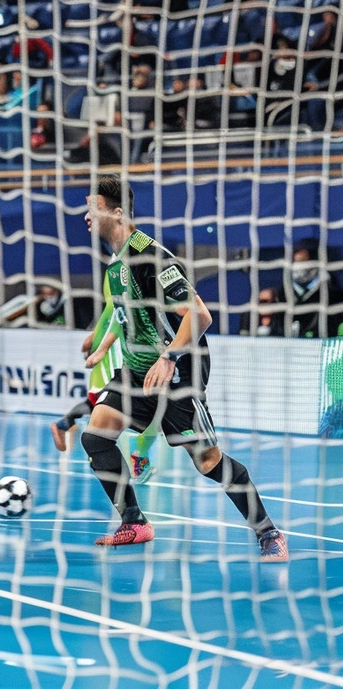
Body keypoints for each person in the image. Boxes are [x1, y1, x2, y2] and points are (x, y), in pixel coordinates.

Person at [68, 175, 287, 560]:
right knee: (96, 436)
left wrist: (169, 356)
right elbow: (127, 319)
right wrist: (103, 348)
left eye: (93, 207)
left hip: (177, 373)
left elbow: (199, 315)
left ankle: (268, 531)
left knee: (207, 461)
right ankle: (134, 522)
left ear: (116, 212)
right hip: (136, 371)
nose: (86, 215)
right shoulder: (115, 266)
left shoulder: (150, 256)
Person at [49, 266, 158, 483]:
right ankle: (138, 457)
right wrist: (101, 346)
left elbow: (112, 310)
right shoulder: (124, 278)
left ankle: (66, 422)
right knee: (150, 414)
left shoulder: (115, 277)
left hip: (113, 345)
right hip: (120, 350)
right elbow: (117, 313)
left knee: (102, 401)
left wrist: (95, 336)